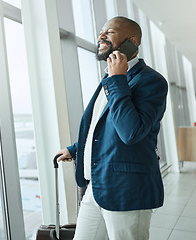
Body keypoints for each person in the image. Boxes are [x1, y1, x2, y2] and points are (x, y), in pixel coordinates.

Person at [57, 16, 168, 240]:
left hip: (127, 189)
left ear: (132, 41)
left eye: (109, 32)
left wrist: (118, 79)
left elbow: (131, 132)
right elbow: (103, 128)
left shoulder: (151, 81)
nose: (101, 36)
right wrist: (76, 148)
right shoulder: (109, 79)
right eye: (100, 32)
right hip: (96, 185)